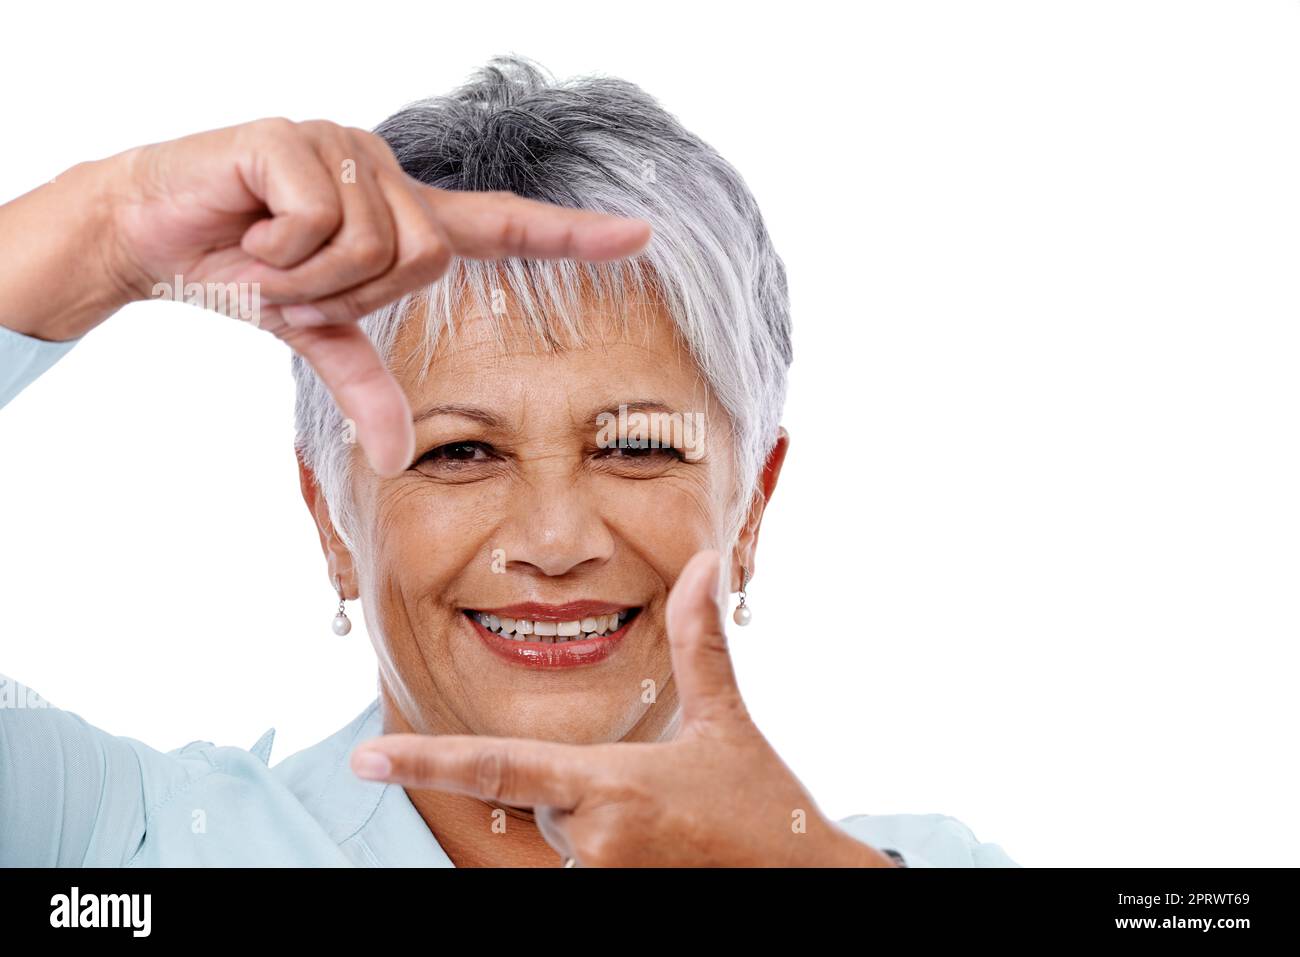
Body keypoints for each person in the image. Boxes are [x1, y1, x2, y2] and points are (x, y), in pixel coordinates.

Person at [0, 56, 1016, 867]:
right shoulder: (111, 845)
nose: (554, 540)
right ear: (331, 520)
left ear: (749, 508)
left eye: (634, 446)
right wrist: (101, 232)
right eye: (460, 452)